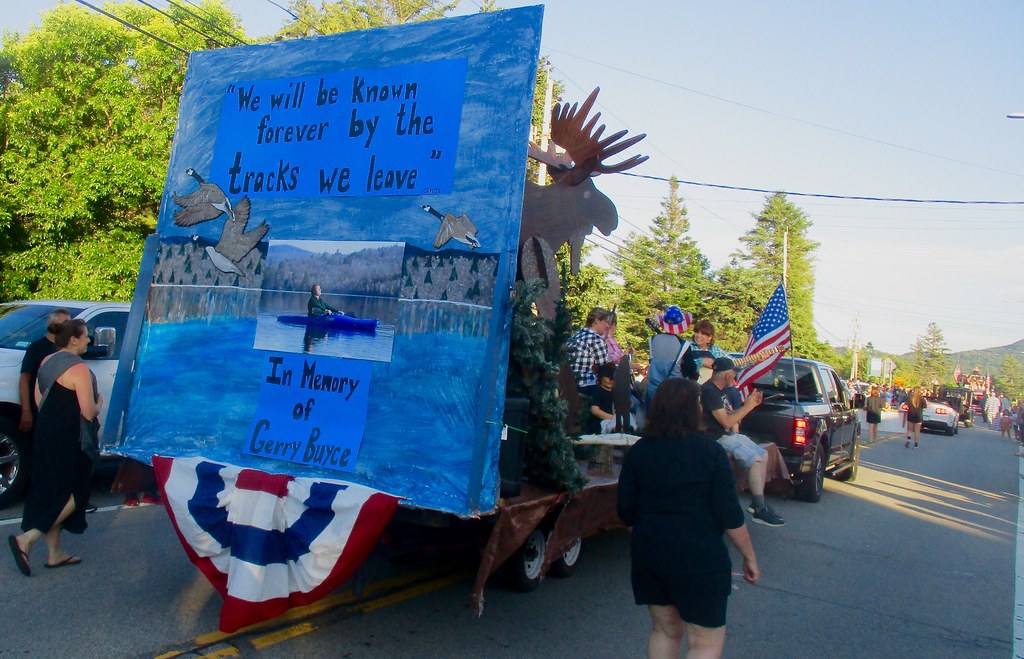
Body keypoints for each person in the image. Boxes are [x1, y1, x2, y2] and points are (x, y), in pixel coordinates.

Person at [618, 378, 759, 659]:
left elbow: (625, 510)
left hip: (651, 553)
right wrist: (749, 556)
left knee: (664, 630)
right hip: (700, 557)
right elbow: (730, 515)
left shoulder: (639, 451)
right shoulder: (711, 453)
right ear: (693, 410)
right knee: (704, 641)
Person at [8, 320, 100, 575]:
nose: (88, 341)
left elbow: (39, 401)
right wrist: (100, 402)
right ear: (73, 340)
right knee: (77, 493)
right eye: (85, 337)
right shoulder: (79, 369)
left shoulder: (46, 362)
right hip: (72, 439)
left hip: (47, 435)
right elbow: (89, 412)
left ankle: (55, 553)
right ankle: (27, 539)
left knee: (52, 490)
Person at [701, 357, 785, 527]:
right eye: (733, 374)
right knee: (754, 460)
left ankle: (757, 504)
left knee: (762, 454)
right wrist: (747, 407)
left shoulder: (719, 391)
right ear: (726, 375)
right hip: (715, 437)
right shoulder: (709, 391)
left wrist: (750, 405)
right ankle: (760, 508)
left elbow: (730, 417)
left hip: (726, 435)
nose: (735, 377)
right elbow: (725, 422)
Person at [18, 308, 71, 433]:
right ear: (52, 325)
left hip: (63, 412)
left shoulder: (70, 348)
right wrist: (26, 411)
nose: (68, 327)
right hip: (41, 410)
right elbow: (25, 380)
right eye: (65, 323)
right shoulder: (36, 348)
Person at [566, 306, 612, 396]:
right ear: (597, 320)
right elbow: (605, 369)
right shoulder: (595, 339)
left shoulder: (576, 336)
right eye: (606, 322)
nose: (608, 326)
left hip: (569, 384)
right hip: (586, 386)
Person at [586, 362, 617, 434]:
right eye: (607, 381)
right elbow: (595, 410)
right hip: (601, 423)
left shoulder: (615, 391)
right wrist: (613, 418)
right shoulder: (598, 391)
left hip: (614, 419)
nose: (610, 382)